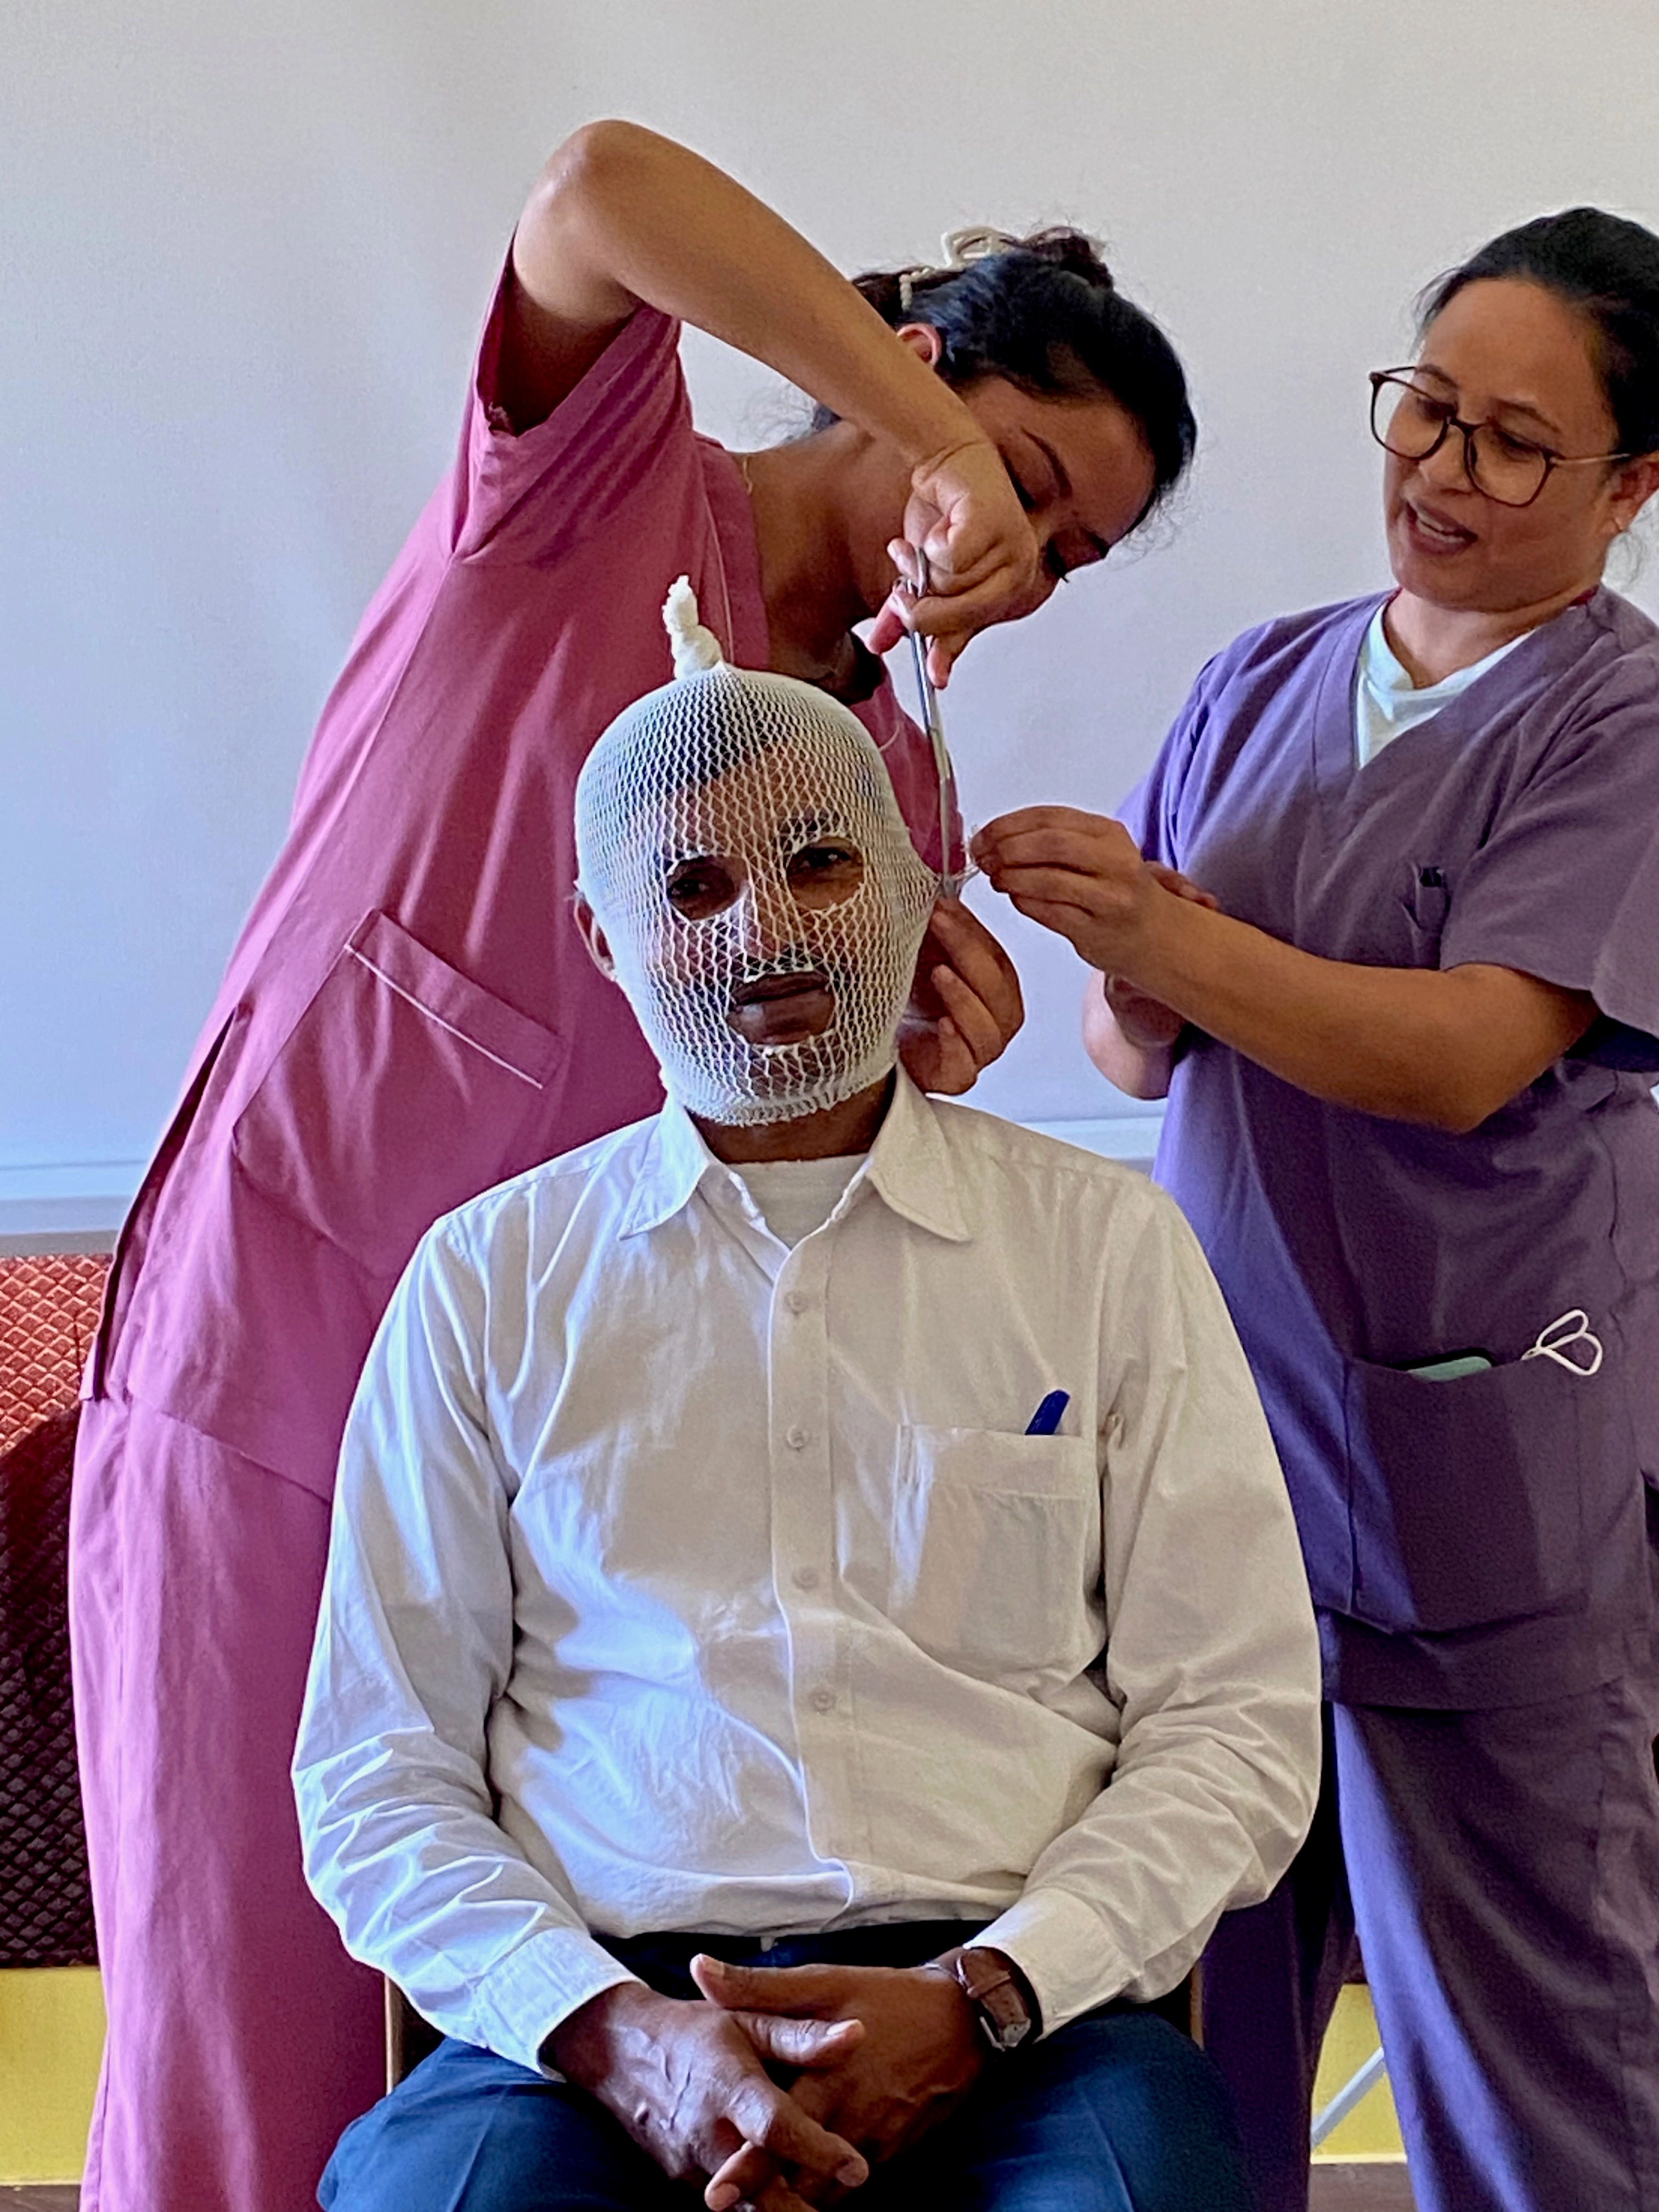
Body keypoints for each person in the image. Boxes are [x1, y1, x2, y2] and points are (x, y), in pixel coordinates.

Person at [67, 121, 1201, 2212]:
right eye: (1026, 479)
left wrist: (934, 1065)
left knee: (526, 2085)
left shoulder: (885, 776)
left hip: (576, 1515)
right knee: (245, 2024)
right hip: (277, 1368)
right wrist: (926, 442)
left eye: (1071, 555)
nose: (1022, 562)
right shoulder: (591, 487)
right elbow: (596, 189)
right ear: (916, 352)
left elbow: (815, 1211)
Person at [291, 584, 1322, 2212]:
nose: (768, 934)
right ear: (603, 938)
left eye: (824, 864)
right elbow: (376, 1773)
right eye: (693, 886)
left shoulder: (1101, 1249)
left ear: (913, 885)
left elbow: (1236, 1724)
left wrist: (990, 1995)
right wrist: (614, 2036)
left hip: (1020, 2030)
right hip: (592, 2026)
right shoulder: (488, 1282)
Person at [970, 206, 1659, 2212]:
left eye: (1514, 442)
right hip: (1221, 1463)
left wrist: (1174, 932)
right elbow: (1140, 1060)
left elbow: (1463, 1052)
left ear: (1633, 483)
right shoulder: (1260, 678)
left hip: (1480, 1472)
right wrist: (1110, 964)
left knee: (1535, 2073)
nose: (1442, 474)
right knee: (1201, 2054)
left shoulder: (1620, 727)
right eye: (1425, 411)